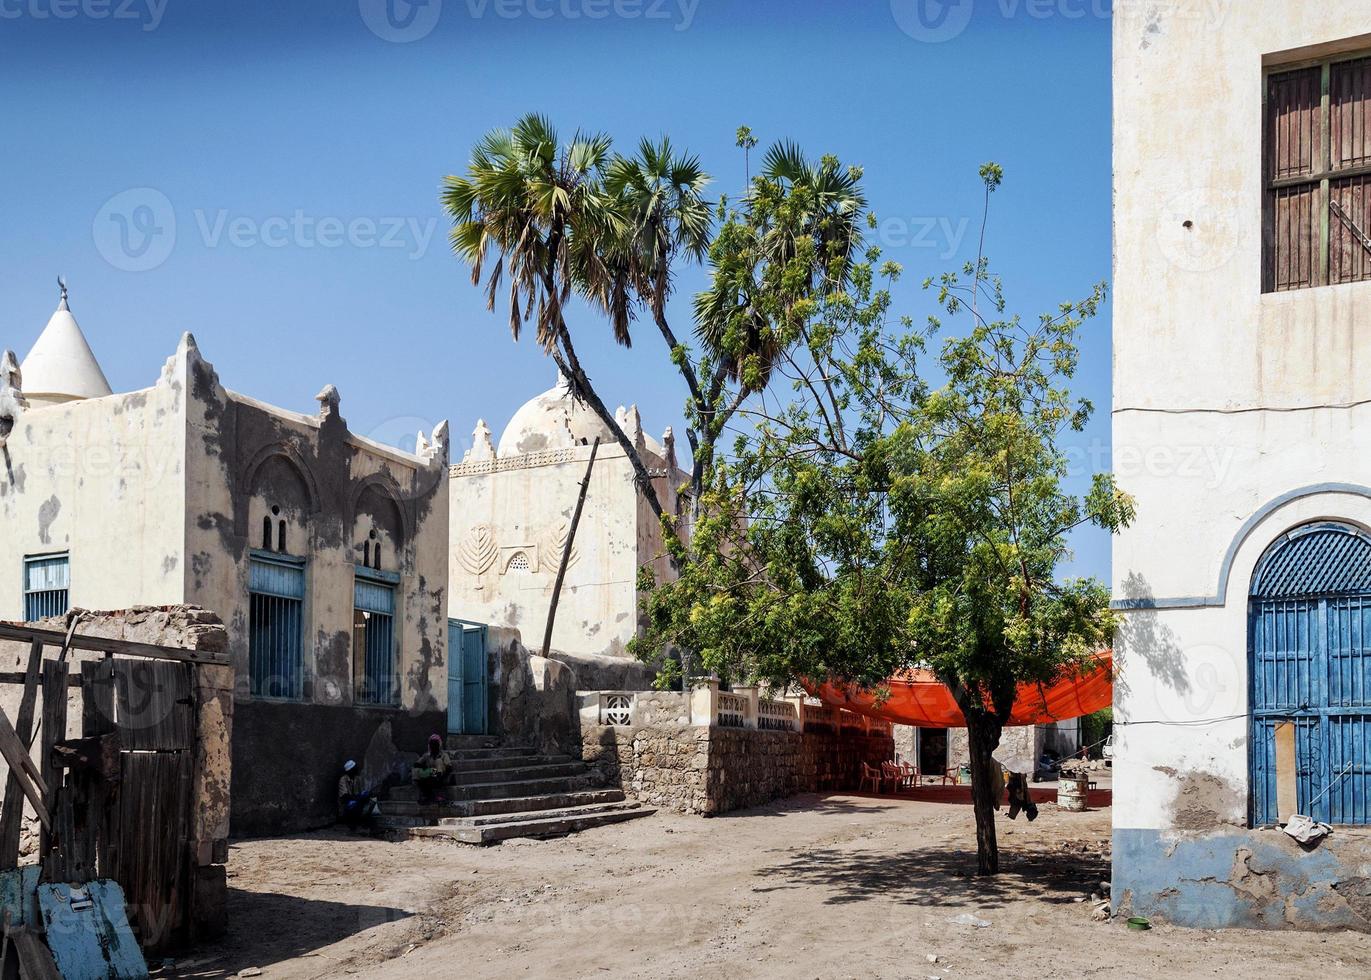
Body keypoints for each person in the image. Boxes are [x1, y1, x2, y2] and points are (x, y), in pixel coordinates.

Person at [338, 759, 380, 834]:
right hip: (347, 805)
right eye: (355, 768)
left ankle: (367, 827)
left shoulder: (357, 779)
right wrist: (358, 798)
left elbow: (360, 792)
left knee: (370, 803)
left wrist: (364, 796)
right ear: (351, 770)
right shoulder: (343, 780)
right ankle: (354, 826)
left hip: (357, 801)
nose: (357, 769)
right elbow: (345, 796)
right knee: (354, 806)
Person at [412, 734, 452, 804]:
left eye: (435, 744)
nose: (433, 746)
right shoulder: (426, 756)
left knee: (438, 761)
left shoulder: (443, 755)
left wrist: (443, 776)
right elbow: (416, 764)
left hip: (441, 777)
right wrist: (424, 768)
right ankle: (426, 796)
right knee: (416, 771)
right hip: (430, 775)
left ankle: (435, 796)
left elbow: (449, 768)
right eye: (432, 744)